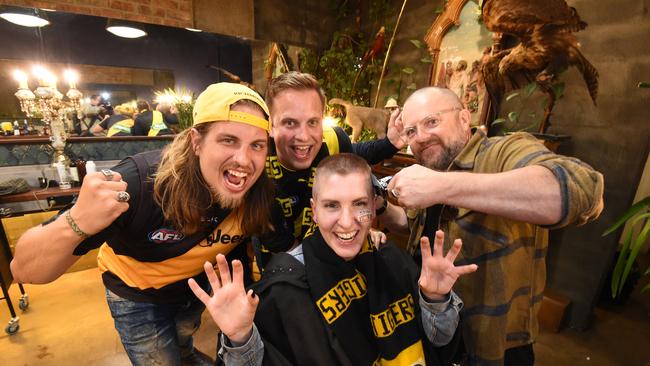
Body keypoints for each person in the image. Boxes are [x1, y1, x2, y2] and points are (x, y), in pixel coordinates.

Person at [11, 83, 277, 366]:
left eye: (257, 145)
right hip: (136, 295)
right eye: (228, 140)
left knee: (183, 342)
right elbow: (23, 270)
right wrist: (77, 221)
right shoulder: (139, 183)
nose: (244, 160)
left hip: (193, 287)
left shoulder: (257, 190)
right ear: (195, 142)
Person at [380, 87, 604, 365]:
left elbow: (581, 189)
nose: (422, 137)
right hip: (432, 326)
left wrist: (443, 187)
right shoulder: (433, 168)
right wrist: (379, 206)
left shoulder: (502, 153)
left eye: (432, 122)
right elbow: (412, 227)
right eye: (412, 131)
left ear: (464, 118)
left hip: (491, 346)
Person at [190, 153, 479, 365]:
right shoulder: (283, 289)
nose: (347, 222)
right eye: (331, 206)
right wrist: (240, 339)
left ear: (374, 206)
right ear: (314, 211)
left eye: (359, 205)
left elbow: (442, 344)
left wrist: (436, 301)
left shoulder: (391, 260)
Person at [261, 72, 405, 252]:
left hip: (322, 248)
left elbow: (355, 154)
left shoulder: (333, 139)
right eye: (290, 123)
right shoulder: (257, 156)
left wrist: (389, 144)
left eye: (313, 122)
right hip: (276, 256)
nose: (304, 136)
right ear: (270, 126)